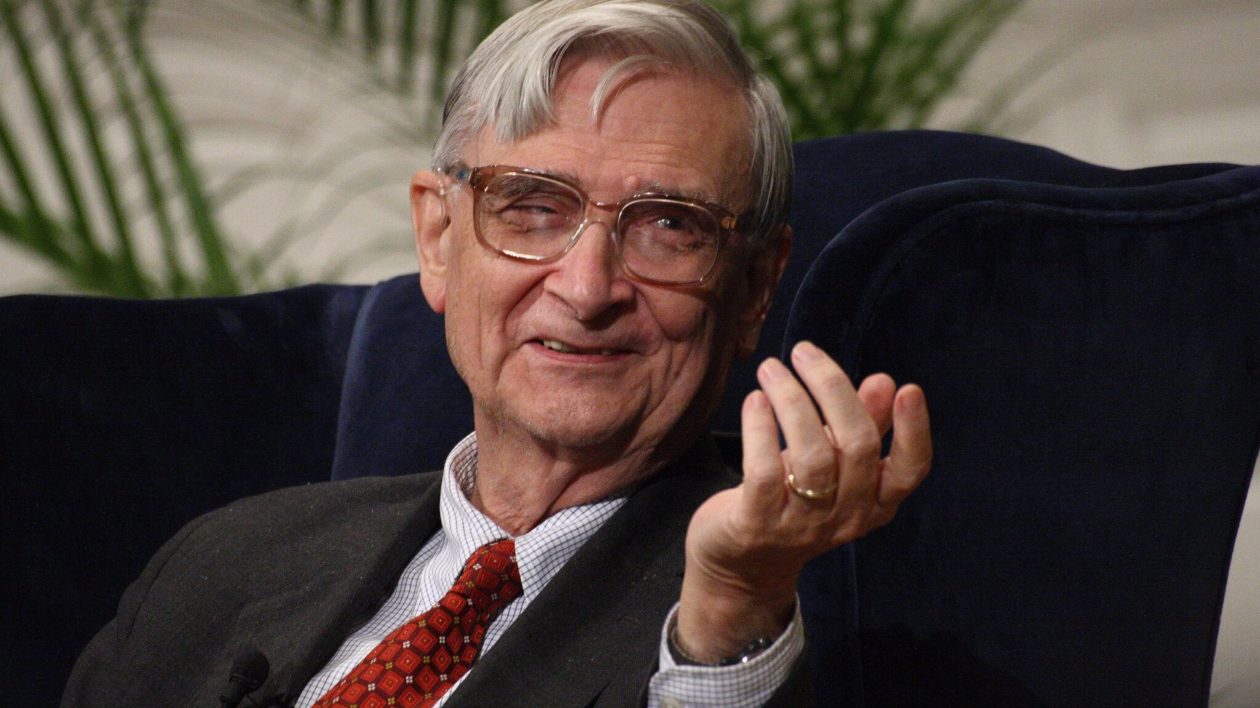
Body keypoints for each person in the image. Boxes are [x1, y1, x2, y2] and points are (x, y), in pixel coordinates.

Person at [62, 1, 931, 706]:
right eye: (532, 208)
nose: (588, 289)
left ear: (753, 288)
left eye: (670, 227)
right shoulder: (225, 562)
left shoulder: (790, 600)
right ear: (438, 239)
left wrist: (732, 620)